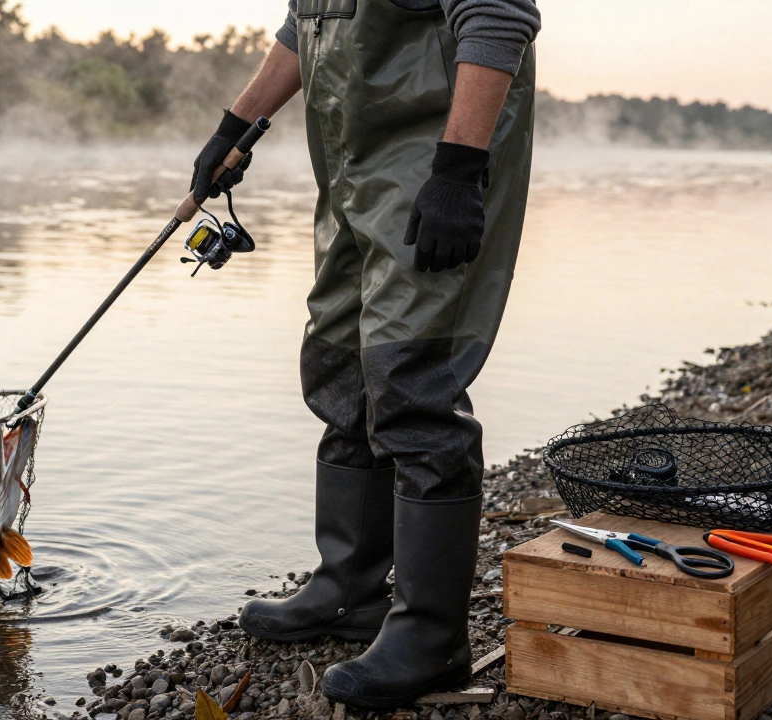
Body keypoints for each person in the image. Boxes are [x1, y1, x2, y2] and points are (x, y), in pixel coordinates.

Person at [188, 0, 539, 711]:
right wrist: (237, 125)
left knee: (411, 378)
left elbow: (500, 15)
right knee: (338, 363)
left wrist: (460, 167)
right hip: (351, 171)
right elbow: (309, 23)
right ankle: (349, 588)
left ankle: (433, 637)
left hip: (435, 162)